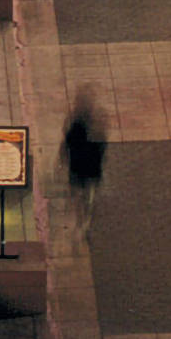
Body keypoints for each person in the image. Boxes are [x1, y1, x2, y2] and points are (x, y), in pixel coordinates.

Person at [62, 91, 106, 241]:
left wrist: (62, 161)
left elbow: (66, 145)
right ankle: (85, 225)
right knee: (89, 200)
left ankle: (80, 223)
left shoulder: (74, 124)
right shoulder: (95, 125)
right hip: (91, 169)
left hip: (77, 168)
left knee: (79, 198)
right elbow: (101, 147)